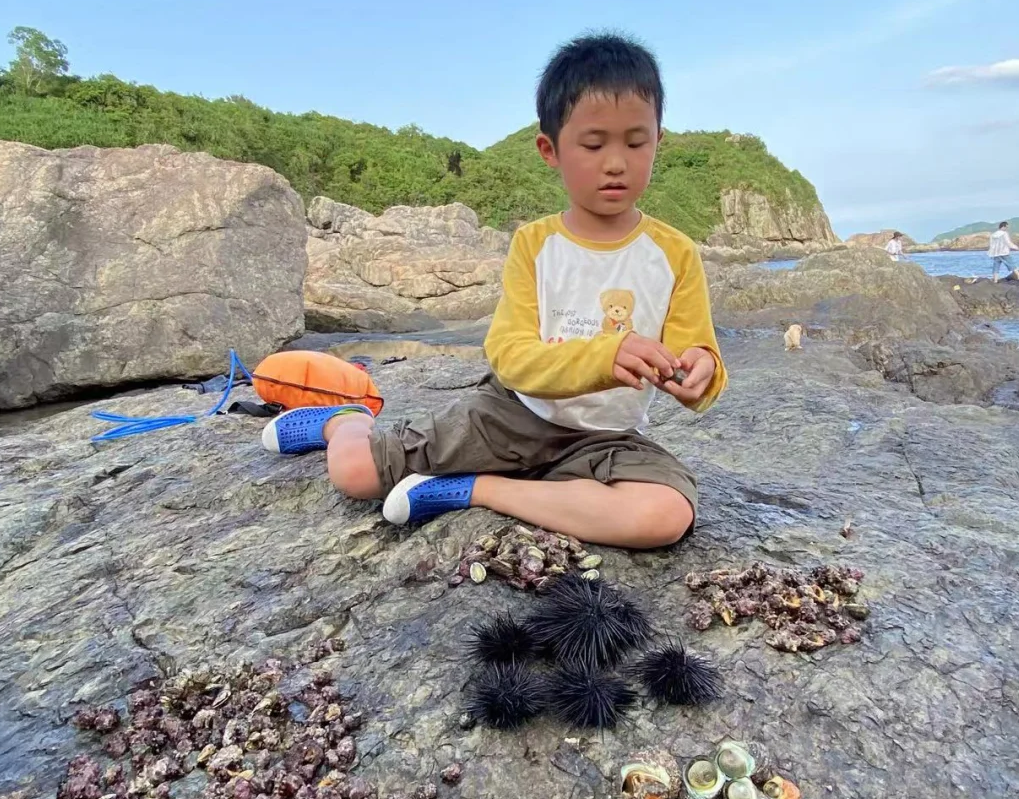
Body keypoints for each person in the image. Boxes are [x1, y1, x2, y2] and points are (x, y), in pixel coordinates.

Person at [262, 33, 727, 548]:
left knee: (664, 515)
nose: (615, 162)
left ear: (658, 140)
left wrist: (701, 370)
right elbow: (510, 356)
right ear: (550, 149)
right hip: (511, 417)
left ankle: (477, 489)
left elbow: (694, 350)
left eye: (635, 143)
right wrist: (606, 354)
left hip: (606, 442)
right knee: (354, 474)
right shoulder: (536, 244)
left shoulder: (675, 253)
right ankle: (345, 421)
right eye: (594, 145)